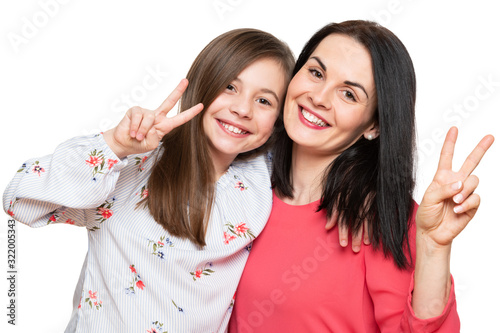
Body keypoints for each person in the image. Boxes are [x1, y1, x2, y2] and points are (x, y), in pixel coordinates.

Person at [3, 28, 294, 332]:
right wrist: (113, 146)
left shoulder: (265, 176)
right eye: (230, 87)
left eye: (264, 101)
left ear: (277, 119)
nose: (243, 109)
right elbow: (20, 201)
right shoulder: (132, 166)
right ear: (203, 84)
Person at [228, 20, 494, 332]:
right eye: (316, 73)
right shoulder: (239, 181)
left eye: (349, 94)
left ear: (373, 126)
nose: (319, 97)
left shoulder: (379, 217)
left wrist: (433, 249)